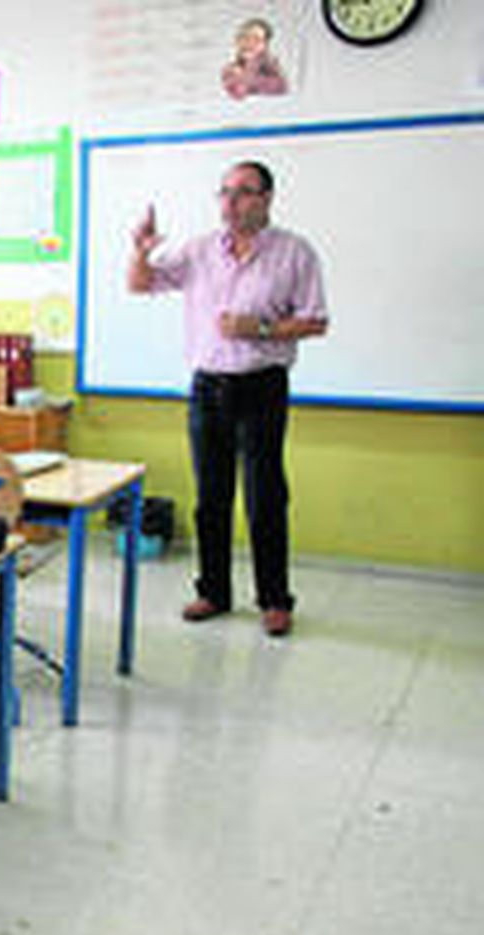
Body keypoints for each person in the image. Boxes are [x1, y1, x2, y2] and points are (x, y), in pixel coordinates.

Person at [127, 160, 328, 637]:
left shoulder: (294, 252)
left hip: (262, 386)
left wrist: (260, 327)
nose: (231, 202)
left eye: (243, 192)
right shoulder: (199, 251)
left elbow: (316, 321)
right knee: (210, 498)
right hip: (207, 388)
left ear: (266, 199)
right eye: (225, 192)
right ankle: (213, 592)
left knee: (265, 498)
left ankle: (274, 600)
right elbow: (140, 284)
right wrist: (140, 251)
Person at [221, 17, 288, 100]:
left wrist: (253, 63)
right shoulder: (229, 70)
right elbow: (239, 93)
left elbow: (280, 88)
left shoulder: (271, 65)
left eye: (258, 40)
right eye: (247, 38)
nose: (251, 43)